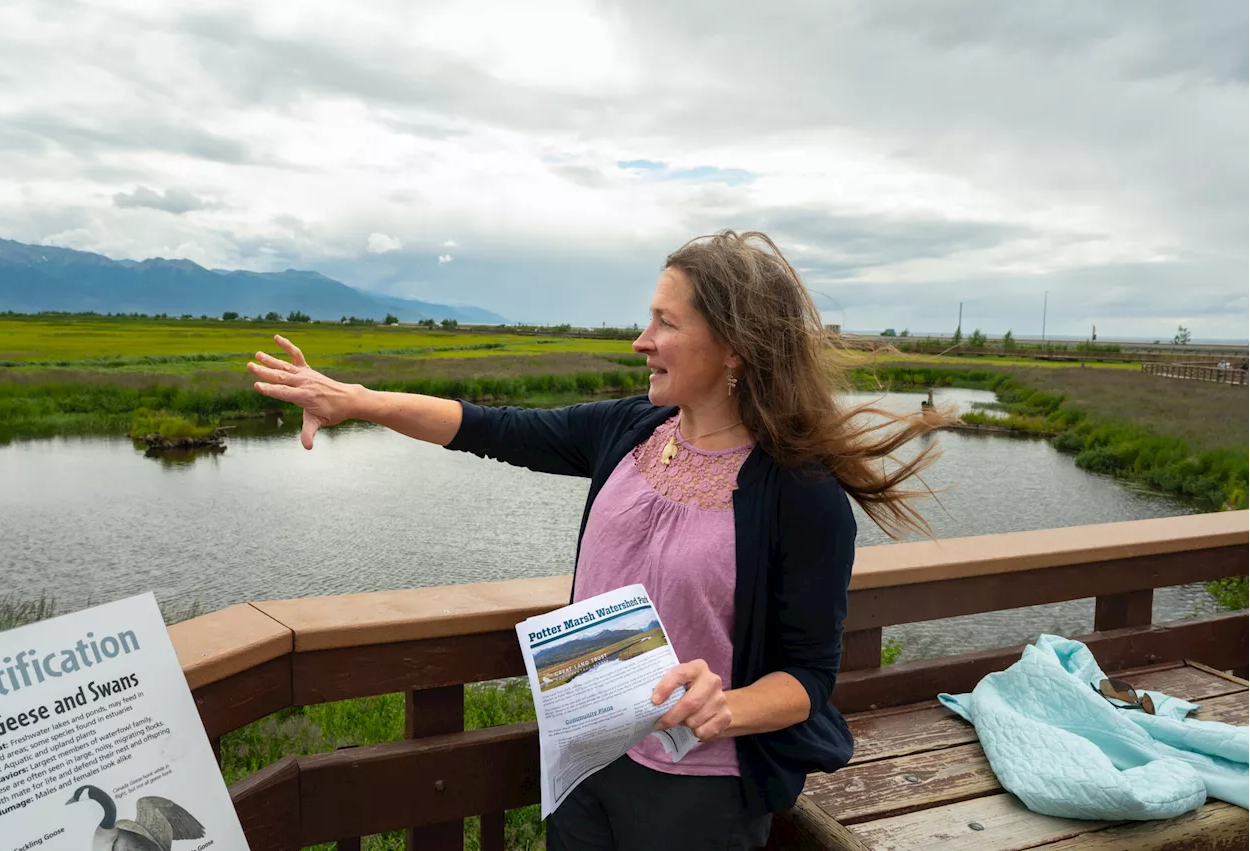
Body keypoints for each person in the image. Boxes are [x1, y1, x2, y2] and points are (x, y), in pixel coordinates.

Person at [246, 230, 950, 850]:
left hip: (698, 789)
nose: (639, 340)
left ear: (734, 348)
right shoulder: (631, 429)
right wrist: (354, 401)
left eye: (664, 322)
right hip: (585, 755)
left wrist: (725, 704)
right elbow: (492, 427)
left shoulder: (798, 492)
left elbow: (809, 677)